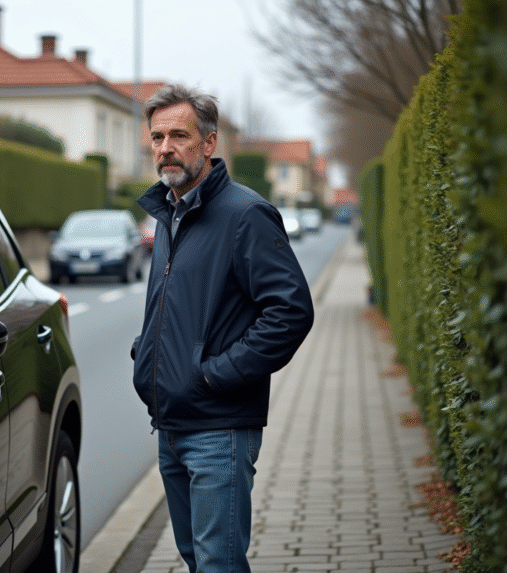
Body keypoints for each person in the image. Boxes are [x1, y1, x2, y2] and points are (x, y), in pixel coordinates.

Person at [131, 84, 314, 572]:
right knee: (198, 560)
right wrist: (145, 353)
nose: (165, 148)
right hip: (170, 426)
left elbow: (291, 311)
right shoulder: (168, 213)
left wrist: (215, 374)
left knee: (219, 565)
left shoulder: (245, 214)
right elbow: (176, 308)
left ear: (209, 143)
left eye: (179, 135)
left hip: (219, 429)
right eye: (157, 137)